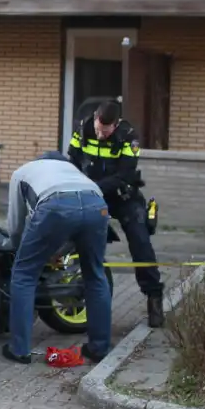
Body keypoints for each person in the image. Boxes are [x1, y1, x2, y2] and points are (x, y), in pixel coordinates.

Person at [1, 152, 112, 363]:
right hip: (97, 204)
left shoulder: (22, 172)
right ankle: (99, 348)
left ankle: (19, 349)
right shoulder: (74, 171)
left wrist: (18, 250)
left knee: (24, 275)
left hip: (55, 204)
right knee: (95, 275)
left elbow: (16, 224)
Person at [68, 99, 165, 328]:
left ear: (117, 124)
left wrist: (95, 187)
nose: (101, 135)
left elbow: (124, 175)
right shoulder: (82, 130)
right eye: (99, 129)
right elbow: (71, 162)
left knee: (140, 241)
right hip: (91, 195)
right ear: (95, 119)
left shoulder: (128, 137)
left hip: (123, 197)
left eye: (106, 131)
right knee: (70, 234)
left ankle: (154, 298)